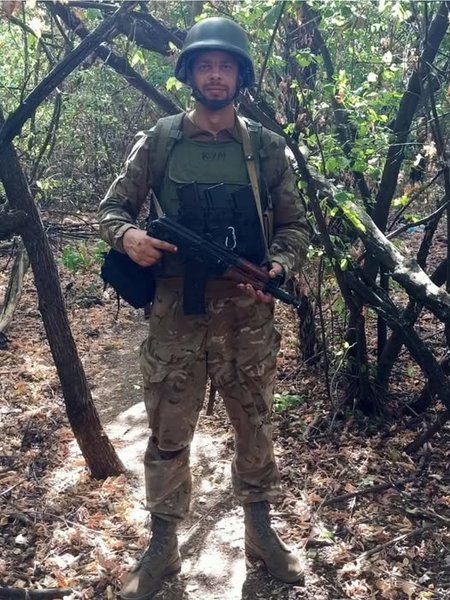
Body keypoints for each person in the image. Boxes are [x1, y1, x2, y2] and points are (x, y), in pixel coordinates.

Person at [98, 16, 309, 600]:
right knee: (168, 431)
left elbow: (294, 227)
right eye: (205, 66)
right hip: (175, 315)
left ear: (240, 76)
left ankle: (260, 535)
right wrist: (129, 238)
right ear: (189, 73)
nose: (216, 76)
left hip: (247, 315)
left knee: (255, 425)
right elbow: (112, 208)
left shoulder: (266, 148)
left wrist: (278, 268)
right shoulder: (160, 140)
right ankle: (162, 545)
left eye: (226, 67)